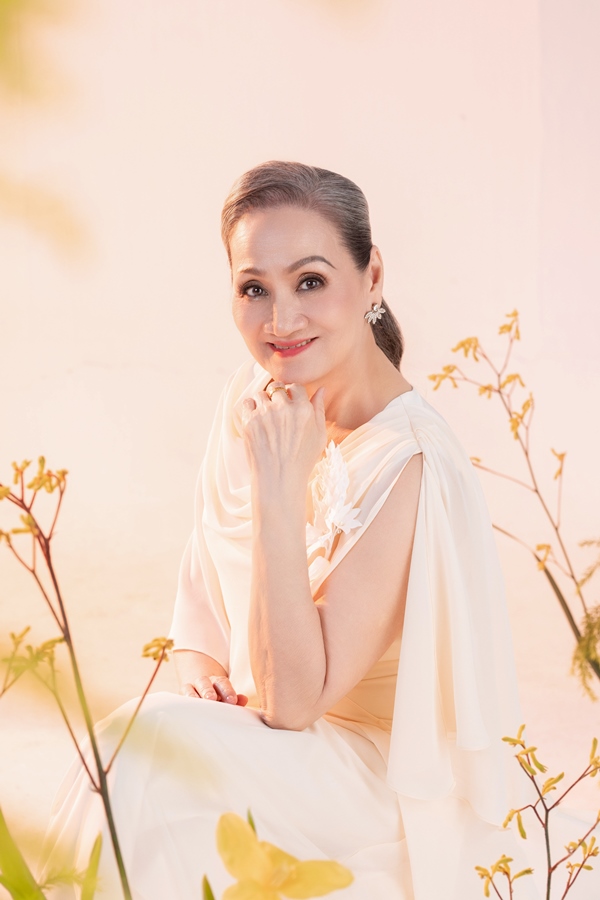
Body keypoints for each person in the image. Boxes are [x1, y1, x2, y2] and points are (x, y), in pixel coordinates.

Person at [39, 162, 597, 900]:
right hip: (266, 740)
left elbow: (295, 704)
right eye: (253, 289)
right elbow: (205, 583)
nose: (281, 320)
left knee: (144, 748)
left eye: (310, 281)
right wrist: (200, 668)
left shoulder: (410, 464)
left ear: (372, 278)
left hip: (367, 777)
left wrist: (280, 487)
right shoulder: (255, 395)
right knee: (147, 754)